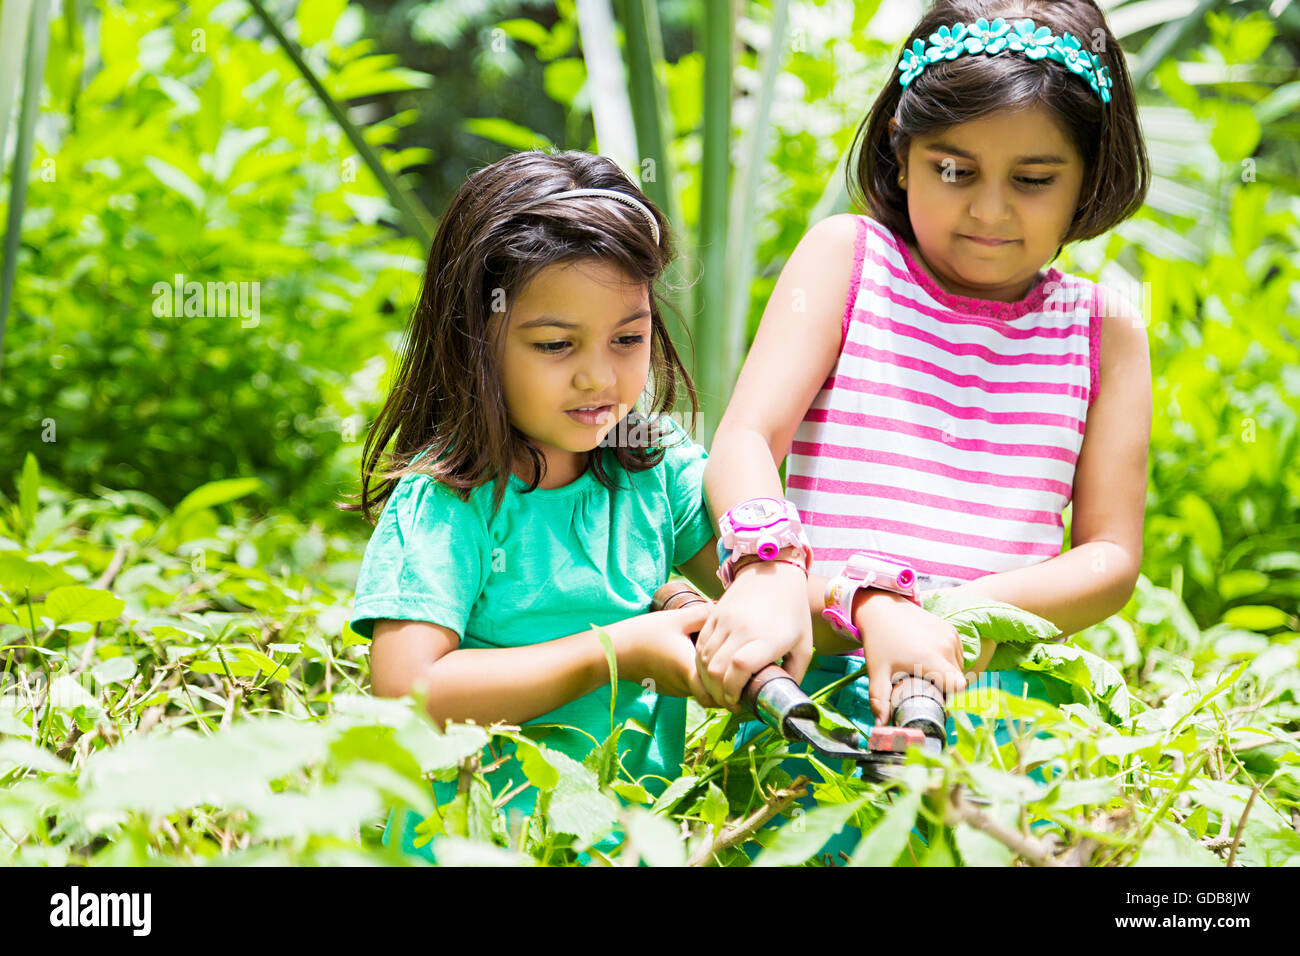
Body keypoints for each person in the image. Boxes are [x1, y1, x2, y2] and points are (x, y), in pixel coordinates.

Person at [694, 0, 1152, 862]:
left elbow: (1108, 557)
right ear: (901, 151)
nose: (989, 209)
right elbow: (746, 438)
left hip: (998, 701)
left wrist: (936, 621)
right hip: (817, 682)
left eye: (1033, 177)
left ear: (1088, 179)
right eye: (954, 169)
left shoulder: (1105, 331)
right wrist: (769, 569)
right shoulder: (848, 261)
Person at [342, 149, 809, 864]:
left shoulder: (653, 469)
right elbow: (410, 691)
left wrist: (862, 602)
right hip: (472, 845)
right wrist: (616, 654)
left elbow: (764, 586)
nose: (600, 375)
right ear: (476, 337)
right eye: (557, 344)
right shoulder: (450, 501)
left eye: (628, 338)